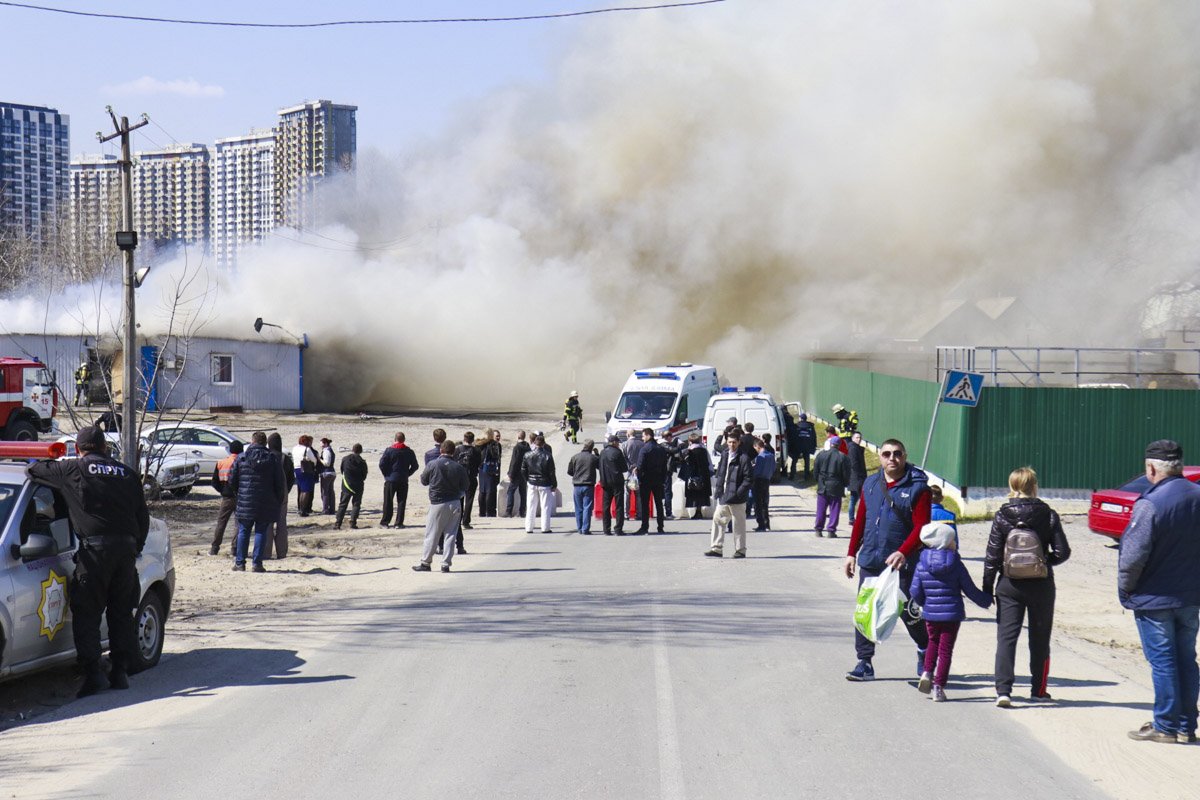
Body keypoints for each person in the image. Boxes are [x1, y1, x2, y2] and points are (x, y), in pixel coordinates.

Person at [28, 426, 149, 697]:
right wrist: (134, 548)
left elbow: (35, 470)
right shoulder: (127, 473)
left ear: (78, 449)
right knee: (120, 612)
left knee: (87, 611)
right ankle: (119, 670)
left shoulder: (73, 469)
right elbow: (143, 517)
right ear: (105, 448)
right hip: (126, 550)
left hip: (96, 553)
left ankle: (94, 673)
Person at [1118, 440, 1200, 744]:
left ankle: (1165, 725)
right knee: (1186, 659)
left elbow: (1133, 554)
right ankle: (1185, 726)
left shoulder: (1150, 503)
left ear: (1151, 468)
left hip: (1154, 598)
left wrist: (1125, 589)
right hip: (1190, 597)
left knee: (1164, 661)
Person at [982, 466, 1071, 707]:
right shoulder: (1049, 514)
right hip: (1041, 584)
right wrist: (1042, 562)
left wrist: (987, 587)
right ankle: (1038, 690)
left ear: (1012, 486)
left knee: (1006, 638)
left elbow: (992, 556)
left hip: (1009, 584)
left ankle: (1003, 691)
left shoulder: (1001, 515)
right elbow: (1063, 552)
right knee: (1040, 638)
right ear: (1034, 486)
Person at [844, 438, 931, 682]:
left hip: (902, 564)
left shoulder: (918, 488)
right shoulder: (871, 483)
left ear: (904, 456)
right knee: (865, 611)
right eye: (887, 454)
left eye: (897, 454)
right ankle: (865, 662)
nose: (892, 458)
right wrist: (851, 552)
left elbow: (921, 528)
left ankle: (924, 648)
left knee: (908, 613)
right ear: (880, 457)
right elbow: (861, 520)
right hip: (871, 559)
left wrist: (904, 551)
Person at [910, 522, 992, 702]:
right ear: (946, 542)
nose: (955, 542)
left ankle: (926, 672)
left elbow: (915, 591)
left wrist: (927, 604)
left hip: (931, 613)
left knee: (932, 642)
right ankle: (938, 687)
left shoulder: (921, 563)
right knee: (945, 650)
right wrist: (986, 600)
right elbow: (969, 589)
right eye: (953, 539)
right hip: (952, 614)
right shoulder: (956, 563)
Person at [228, 431, 285, 574]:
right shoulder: (272, 459)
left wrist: (239, 493)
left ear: (252, 441)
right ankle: (257, 563)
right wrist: (278, 499)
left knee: (244, 531)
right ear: (265, 443)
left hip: (245, 499)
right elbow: (279, 482)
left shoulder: (242, 457)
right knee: (261, 531)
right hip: (265, 501)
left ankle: (240, 563)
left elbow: (232, 480)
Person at [413, 440, 470, 573]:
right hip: (455, 502)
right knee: (451, 534)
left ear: (441, 451)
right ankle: (445, 564)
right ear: (453, 452)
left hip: (438, 502)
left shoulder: (433, 464)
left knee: (432, 533)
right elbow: (466, 486)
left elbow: (423, 480)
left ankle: (426, 562)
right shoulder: (458, 467)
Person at [704, 430, 753, 559]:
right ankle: (716, 548)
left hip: (737, 498)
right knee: (717, 519)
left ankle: (740, 550)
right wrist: (719, 489)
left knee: (738, 524)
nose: (731, 445)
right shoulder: (725, 454)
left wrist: (739, 493)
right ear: (726, 441)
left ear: (739, 442)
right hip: (724, 495)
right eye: (729, 442)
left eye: (734, 442)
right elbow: (721, 472)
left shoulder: (743, 458)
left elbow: (748, 479)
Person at [209, 440, 244, 555]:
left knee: (221, 523)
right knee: (238, 524)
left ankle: (214, 548)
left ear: (230, 450)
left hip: (226, 497)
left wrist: (223, 491)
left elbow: (214, 482)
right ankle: (235, 549)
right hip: (240, 497)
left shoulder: (221, 463)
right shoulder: (243, 462)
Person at [379, 431, 419, 529]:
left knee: (388, 501)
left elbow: (382, 464)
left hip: (391, 479)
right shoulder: (409, 451)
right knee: (401, 501)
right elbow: (415, 466)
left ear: (395, 439)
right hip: (403, 479)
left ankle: (385, 522)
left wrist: (386, 474)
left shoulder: (389, 450)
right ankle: (399, 523)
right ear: (404, 440)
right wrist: (407, 474)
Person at [813, 435, 850, 538]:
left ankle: (818, 529)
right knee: (834, 509)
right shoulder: (843, 457)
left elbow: (815, 470)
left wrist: (818, 481)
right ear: (839, 445)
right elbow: (846, 474)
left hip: (823, 485)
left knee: (821, 509)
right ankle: (831, 530)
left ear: (830, 444)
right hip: (836, 486)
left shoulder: (821, 455)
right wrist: (845, 484)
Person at [265, 432, 294, 559]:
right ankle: (282, 552)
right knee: (282, 524)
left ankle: (266, 552)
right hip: (282, 494)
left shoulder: (266, 456)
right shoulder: (285, 458)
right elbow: (291, 478)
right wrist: (285, 491)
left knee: (267, 524)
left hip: (268, 494)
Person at [635, 428, 669, 534]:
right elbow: (665, 466)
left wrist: (639, 477)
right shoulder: (660, 448)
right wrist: (663, 479)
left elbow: (640, 465)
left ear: (648, 435)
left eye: (643, 436)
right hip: (658, 479)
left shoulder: (645, 449)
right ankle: (660, 526)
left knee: (645, 504)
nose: (642, 438)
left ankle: (644, 527)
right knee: (659, 503)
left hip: (646, 480)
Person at [522, 434, 558, 533]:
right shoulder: (547, 456)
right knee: (545, 506)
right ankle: (545, 527)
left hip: (532, 483)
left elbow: (523, 469)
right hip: (544, 484)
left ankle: (529, 527)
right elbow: (551, 472)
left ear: (534, 443)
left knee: (530, 506)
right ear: (543, 443)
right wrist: (554, 484)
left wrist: (527, 480)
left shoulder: (527, 455)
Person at [598, 435, 629, 535]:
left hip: (605, 482)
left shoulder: (602, 452)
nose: (618, 444)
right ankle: (618, 529)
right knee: (619, 505)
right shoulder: (617, 452)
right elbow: (624, 468)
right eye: (617, 442)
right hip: (617, 482)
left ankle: (606, 529)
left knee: (606, 506)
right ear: (614, 442)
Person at [568, 439, 600, 534]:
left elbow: (570, 471)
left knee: (578, 508)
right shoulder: (593, 458)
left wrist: (577, 474)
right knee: (587, 507)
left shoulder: (575, 457)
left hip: (577, 485)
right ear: (591, 447)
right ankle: (585, 529)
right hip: (588, 485)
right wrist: (597, 454)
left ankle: (579, 528)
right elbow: (600, 466)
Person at [454, 432, 482, 538]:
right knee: (469, 500)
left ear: (464, 438)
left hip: (459, 477)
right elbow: (479, 463)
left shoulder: (458, 449)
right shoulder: (476, 451)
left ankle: (458, 519)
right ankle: (466, 521)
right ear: (473, 439)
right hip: (471, 477)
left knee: (459, 500)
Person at [335, 443, 369, 529]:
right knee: (356, 504)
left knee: (343, 504)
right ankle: (353, 522)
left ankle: (338, 523)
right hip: (358, 485)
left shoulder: (345, 459)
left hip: (347, 484)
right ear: (361, 451)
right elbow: (364, 475)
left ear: (352, 450)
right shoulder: (362, 462)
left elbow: (342, 470)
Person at [682, 432, 712, 520]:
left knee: (694, 494)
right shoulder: (703, 450)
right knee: (702, 494)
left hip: (693, 475)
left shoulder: (690, 451)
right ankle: (699, 511)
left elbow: (689, 464)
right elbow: (708, 463)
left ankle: (697, 512)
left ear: (690, 441)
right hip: (704, 475)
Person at [291, 435, 319, 516]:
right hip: (305, 469)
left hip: (296, 469)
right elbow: (314, 460)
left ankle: (300, 508)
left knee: (301, 490)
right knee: (306, 491)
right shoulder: (307, 449)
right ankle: (303, 510)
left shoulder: (295, 448)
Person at [752, 438, 775, 531]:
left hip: (759, 480)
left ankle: (761, 524)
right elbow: (773, 467)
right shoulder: (770, 455)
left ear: (757, 446)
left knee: (758, 503)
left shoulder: (760, 457)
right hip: (767, 480)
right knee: (765, 503)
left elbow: (757, 471)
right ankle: (767, 524)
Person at [478, 429, 503, 517]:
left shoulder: (479, 444)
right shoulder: (494, 444)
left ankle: (482, 511)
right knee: (490, 490)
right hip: (490, 468)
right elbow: (496, 457)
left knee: (482, 490)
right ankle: (490, 511)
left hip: (481, 469)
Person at [506, 430, 530, 518]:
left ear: (518, 437)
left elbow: (514, 461)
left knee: (510, 491)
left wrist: (511, 473)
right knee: (523, 493)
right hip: (524, 473)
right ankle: (522, 511)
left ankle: (509, 511)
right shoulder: (528, 447)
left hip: (516, 473)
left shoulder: (517, 447)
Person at [846, 430, 868, 522]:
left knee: (855, 498)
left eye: (860, 438)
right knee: (855, 499)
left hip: (857, 478)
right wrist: (860, 476)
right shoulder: (853, 449)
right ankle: (852, 518)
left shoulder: (857, 448)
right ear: (852, 438)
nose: (859, 439)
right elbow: (854, 464)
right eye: (857, 437)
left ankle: (854, 518)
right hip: (856, 478)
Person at [661, 430, 683, 519]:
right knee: (667, 492)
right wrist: (680, 445)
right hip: (665, 471)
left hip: (666, 470)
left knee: (667, 491)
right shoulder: (663, 444)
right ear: (666, 437)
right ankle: (668, 513)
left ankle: (667, 511)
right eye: (669, 436)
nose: (671, 437)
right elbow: (673, 450)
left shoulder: (666, 444)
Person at [318, 438, 336, 515]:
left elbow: (327, 463)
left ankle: (325, 509)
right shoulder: (330, 450)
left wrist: (319, 459)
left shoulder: (326, 451)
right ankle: (332, 509)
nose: (320, 445)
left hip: (326, 473)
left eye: (321, 443)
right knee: (331, 492)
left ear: (325, 443)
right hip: (332, 473)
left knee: (325, 492)